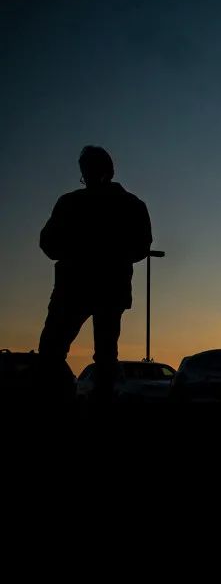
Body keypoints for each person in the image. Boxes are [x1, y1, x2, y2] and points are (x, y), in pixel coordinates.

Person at [37, 146, 152, 404]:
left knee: (59, 350)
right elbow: (141, 246)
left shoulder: (73, 203)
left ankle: (70, 402)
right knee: (99, 354)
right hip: (100, 288)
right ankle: (91, 403)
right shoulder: (130, 204)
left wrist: (81, 249)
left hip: (80, 287)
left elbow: (48, 244)